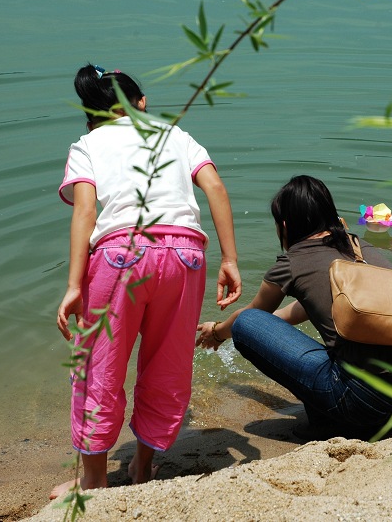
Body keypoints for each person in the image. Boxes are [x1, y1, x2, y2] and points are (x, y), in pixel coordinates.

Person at [52, 64, 242, 499]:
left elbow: (85, 213)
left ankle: (94, 482)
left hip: (121, 257)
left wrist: (74, 284)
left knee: (99, 367)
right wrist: (229, 259)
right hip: (185, 257)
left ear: (91, 114)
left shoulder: (86, 145)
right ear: (141, 104)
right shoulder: (176, 135)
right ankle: (142, 468)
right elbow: (214, 187)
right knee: (168, 365)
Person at [197, 175, 392, 440]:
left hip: (367, 405)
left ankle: (329, 422)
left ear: (283, 225)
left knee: (247, 324)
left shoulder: (292, 262)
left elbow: (250, 318)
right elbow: (312, 305)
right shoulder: (359, 246)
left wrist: (217, 331)